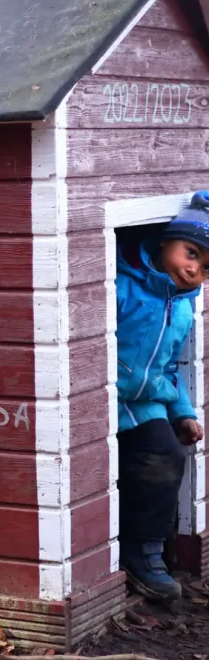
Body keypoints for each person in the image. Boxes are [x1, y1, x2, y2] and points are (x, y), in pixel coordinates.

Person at [116, 191, 209, 600]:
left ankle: (145, 553)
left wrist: (182, 412)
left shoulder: (184, 307)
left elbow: (169, 367)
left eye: (206, 268)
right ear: (162, 242)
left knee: (166, 454)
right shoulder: (119, 285)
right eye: (191, 253)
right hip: (103, 395)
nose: (194, 271)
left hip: (146, 400)